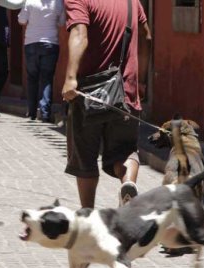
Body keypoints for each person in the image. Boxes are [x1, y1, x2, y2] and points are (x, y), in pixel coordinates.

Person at [61, 0, 152, 208]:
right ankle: (128, 183)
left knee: (85, 159)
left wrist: (70, 76)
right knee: (125, 151)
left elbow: (79, 33)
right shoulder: (131, 2)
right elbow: (146, 37)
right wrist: (142, 81)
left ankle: (88, 213)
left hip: (89, 96)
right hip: (125, 93)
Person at [18, 0, 65, 123]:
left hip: (31, 43)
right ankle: (45, 113)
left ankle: (32, 112)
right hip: (50, 43)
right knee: (47, 78)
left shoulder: (30, 1)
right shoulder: (58, 3)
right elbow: (62, 22)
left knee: (32, 78)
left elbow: (21, 20)